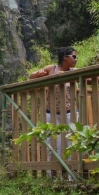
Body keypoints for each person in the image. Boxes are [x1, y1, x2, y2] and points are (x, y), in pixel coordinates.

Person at [30, 47, 78, 177]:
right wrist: (38, 74)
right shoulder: (52, 69)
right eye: (74, 57)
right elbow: (31, 76)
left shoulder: (75, 72)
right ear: (65, 57)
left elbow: (89, 79)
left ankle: (70, 176)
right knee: (53, 145)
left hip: (69, 113)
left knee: (69, 144)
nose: (76, 60)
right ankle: (52, 176)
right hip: (50, 113)